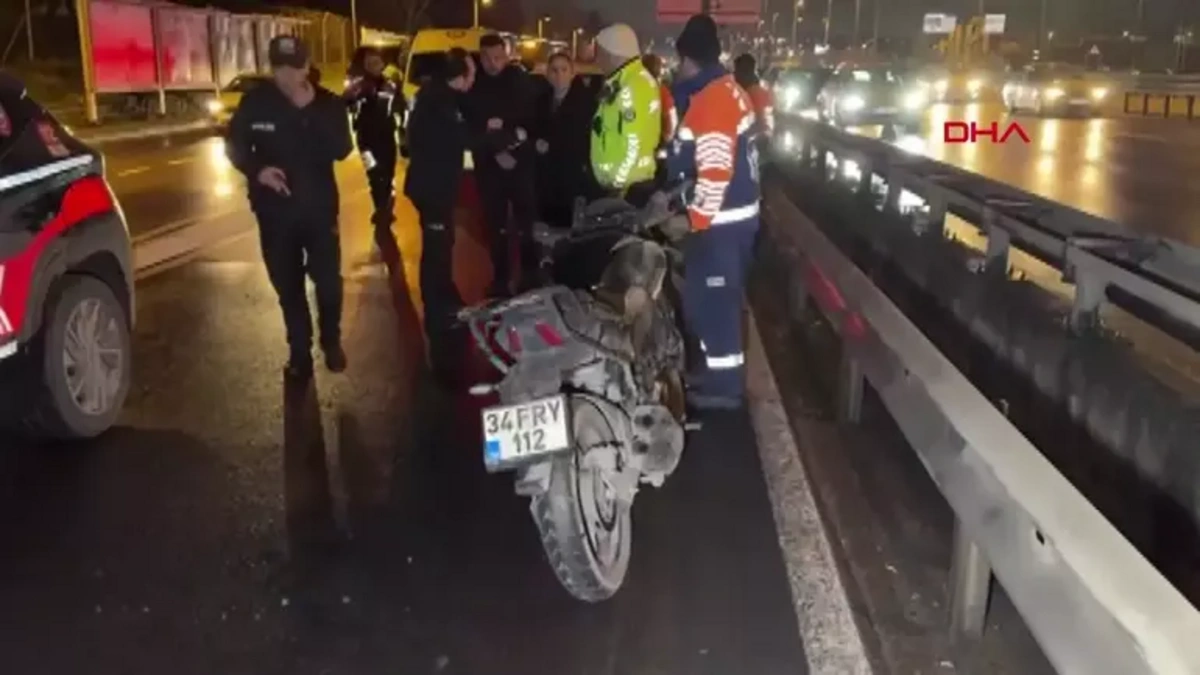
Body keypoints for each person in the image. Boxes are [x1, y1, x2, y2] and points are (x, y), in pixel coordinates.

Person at [226, 35, 354, 379]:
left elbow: (343, 149)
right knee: (287, 284)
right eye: (280, 68)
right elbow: (235, 145)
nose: (287, 76)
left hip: (319, 209)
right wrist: (258, 171)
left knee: (328, 282)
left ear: (306, 67)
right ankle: (299, 351)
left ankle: (331, 339)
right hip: (274, 212)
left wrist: (309, 114)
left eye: (294, 68)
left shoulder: (328, 105)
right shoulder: (256, 103)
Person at [666, 15, 761, 410]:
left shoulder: (713, 101)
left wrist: (691, 220)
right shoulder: (727, 90)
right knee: (709, 301)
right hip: (731, 220)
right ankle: (719, 374)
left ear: (689, 59)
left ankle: (725, 389)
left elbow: (717, 172)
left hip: (720, 224)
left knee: (714, 303)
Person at [463, 33, 539, 297]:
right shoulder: (473, 86)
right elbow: (471, 129)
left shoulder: (520, 81)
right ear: (479, 57)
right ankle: (500, 279)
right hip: (489, 168)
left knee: (526, 224)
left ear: (507, 55)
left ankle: (531, 277)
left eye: (498, 57)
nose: (493, 63)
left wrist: (509, 142)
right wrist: (496, 150)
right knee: (496, 228)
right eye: (487, 58)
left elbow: (530, 121)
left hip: (521, 166)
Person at [404, 49, 472, 336]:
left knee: (443, 242)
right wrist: (497, 138)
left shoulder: (437, 95)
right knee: (437, 248)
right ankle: (436, 307)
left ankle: (444, 295)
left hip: (431, 185)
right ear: (461, 76)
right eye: (472, 72)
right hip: (432, 187)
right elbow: (460, 138)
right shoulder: (441, 102)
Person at [590, 24, 662, 206]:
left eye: (601, 54)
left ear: (614, 53)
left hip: (629, 191)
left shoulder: (632, 86)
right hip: (628, 186)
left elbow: (633, 143)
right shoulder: (628, 81)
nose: (597, 60)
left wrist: (619, 185)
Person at [344, 46, 405, 239]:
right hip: (366, 141)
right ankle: (380, 209)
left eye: (376, 62)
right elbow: (344, 103)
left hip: (387, 138)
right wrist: (354, 95)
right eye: (369, 62)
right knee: (373, 174)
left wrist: (404, 129)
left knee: (387, 174)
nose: (373, 66)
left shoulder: (391, 85)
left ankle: (386, 206)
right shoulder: (359, 85)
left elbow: (400, 107)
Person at [532, 52, 596, 229]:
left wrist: (551, 146)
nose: (559, 75)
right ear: (547, 74)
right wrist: (536, 143)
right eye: (554, 70)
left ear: (572, 73)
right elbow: (533, 129)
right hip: (546, 182)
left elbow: (582, 140)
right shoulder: (541, 101)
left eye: (563, 70)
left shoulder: (586, 102)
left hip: (573, 180)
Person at [733, 53, 774, 138]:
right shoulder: (759, 88)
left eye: (737, 71)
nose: (735, 75)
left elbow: (760, 124)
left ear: (746, 72)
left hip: (755, 141)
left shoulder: (755, 93)